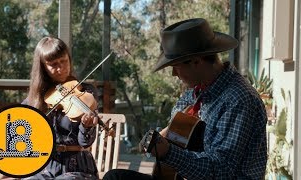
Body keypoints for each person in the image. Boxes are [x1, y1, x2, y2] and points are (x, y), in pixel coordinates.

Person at [103, 18, 267, 179]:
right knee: (115, 177)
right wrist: (161, 136)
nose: (174, 74)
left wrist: (168, 152)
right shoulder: (194, 93)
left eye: (176, 66)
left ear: (196, 61)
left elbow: (221, 171)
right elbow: (177, 128)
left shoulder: (238, 99)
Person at [22, 36, 99, 180]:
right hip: (44, 167)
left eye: (64, 61)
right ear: (43, 67)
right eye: (53, 64)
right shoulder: (35, 99)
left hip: (78, 167)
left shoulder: (86, 92)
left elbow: (85, 142)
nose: (61, 68)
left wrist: (86, 127)